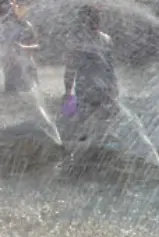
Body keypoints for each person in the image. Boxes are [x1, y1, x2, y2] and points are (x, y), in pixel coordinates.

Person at [61, 5, 118, 141]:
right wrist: (68, 91)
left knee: (106, 118)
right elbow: (70, 67)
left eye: (97, 18)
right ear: (84, 20)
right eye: (91, 18)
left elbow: (110, 66)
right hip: (84, 87)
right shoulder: (77, 40)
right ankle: (77, 144)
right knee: (81, 119)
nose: (95, 21)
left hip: (104, 87)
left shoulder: (106, 39)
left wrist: (114, 87)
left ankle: (102, 146)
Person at [1, 0, 38, 93]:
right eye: (18, 7)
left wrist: (24, 47)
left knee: (29, 93)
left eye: (23, 7)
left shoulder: (28, 26)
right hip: (11, 67)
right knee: (12, 95)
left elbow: (38, 45)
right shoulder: (5, 26)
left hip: (26, 65)